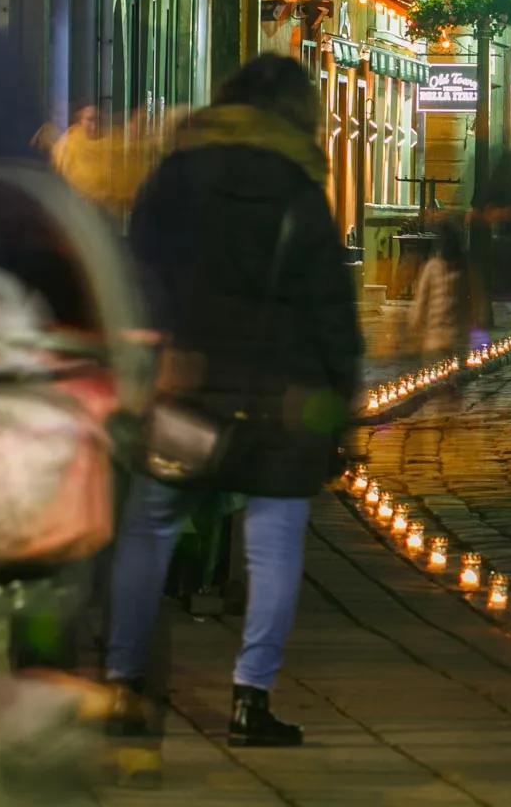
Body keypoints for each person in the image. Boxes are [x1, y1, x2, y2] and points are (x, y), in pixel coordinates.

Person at [107, 54, 363, 747]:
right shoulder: (300, 191)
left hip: (186, 389)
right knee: (274, 542)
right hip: (281, 402)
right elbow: (330, 309)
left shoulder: (177, 176)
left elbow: (139, 270)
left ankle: (125, 686)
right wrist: (343, 398)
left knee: (150, 526)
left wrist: (155, 352)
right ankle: (252, 700)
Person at [408, 224, 470, 361]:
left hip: (435, 338)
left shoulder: (432, 267)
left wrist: (415, 323)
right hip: (456, 338)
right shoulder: (464, 268)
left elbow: (421, 299)